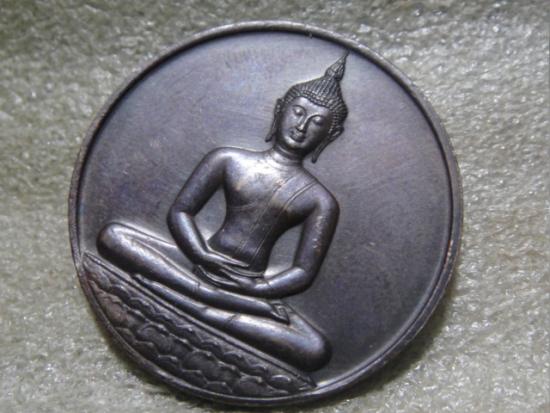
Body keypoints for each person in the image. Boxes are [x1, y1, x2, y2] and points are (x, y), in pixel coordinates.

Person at [96, 53, 349, 372]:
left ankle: (197, 304)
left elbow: (302, 271)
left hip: (249, 285)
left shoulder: (319, 200)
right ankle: (213, 303)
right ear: (279, 110)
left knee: (315, 350)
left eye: (317, 122)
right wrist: (200, 253)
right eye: (298, 112)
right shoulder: (228, 159)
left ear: (331, 134)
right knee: (112, 237)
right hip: (195, 265)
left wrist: (259, 289)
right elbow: (181, 212)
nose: (301, 126)